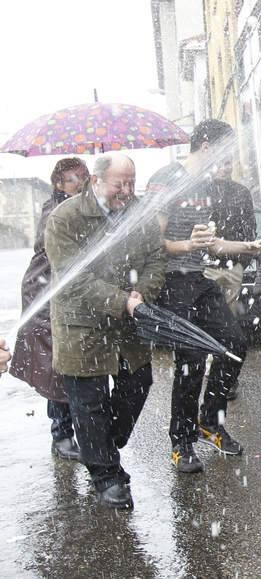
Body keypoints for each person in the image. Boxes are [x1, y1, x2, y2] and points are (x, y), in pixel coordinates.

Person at [45, 154, 166, 509]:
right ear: (96, 181)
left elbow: (157, 259)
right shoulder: (64, 218)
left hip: (128, 323)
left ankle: (101, 445)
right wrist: (121, 301)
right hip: (81, 325)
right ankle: (107, 478)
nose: (127, 191)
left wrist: (141, 292)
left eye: (131, 183)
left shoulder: (140, 213)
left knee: (138, 383)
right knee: (89, 402)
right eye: (119, 184)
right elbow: (74, 279)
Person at [148, 119, 261, 473]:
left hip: (198, 277)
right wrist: (187, 245)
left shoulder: (207, 185)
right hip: (172, 281)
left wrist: (249, 247)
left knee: (234, 344)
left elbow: (209, 244)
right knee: (191, 359)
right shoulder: (168, 178)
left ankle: (210, 421)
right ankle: (181, 441)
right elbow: (152, 241)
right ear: (208, 145)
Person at [11, 158, 89, 460]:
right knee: (56, 367)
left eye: (84, 176)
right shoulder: (55, 210)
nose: (80, 183)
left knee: (69, 364)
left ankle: (73, 431)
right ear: (59, 184)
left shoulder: (80, 207)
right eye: (73, 179)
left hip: (60, 294)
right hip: (43, 296)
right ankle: (61, 435)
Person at [204, 159, 257, 402]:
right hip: (207, 267)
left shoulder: (241, 192)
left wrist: (241, 263)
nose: (225, 167)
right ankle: (211, 372)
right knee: (211, 321)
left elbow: (250, 228)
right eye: (221, 163)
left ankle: (226, 375)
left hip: (233, 267)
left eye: (228, 162)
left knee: (230, 322)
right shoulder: (201, 192)